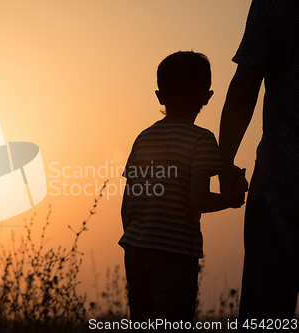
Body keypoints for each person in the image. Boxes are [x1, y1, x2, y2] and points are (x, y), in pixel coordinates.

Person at [120, 51, 247, 330]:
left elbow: (128, 202)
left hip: (136, 249)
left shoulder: (143, 137)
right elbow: (198, 200)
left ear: (159, 95)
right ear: (207, 96)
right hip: (175, 253)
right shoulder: (201, 139)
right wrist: (233, 199)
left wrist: (138, 237)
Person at [219, 0, 299, 330]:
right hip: (278, 178)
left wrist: (224, 164)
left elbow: (245, 87)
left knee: (265, 315)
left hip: (281, 175)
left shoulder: (273, 3)